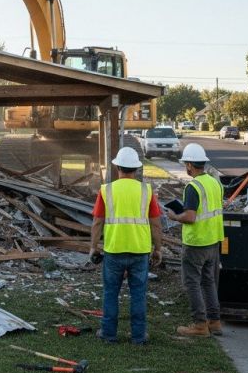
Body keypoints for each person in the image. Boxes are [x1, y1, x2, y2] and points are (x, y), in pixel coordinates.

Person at [89, 146, 163, 344]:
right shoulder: (146, 191)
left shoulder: (107, 190)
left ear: (117, 168)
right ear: (136, 169)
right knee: (138, 294)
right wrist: (158, 249)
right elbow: (156, 223)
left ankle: (108, 334)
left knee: (110, 293)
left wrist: (93, 247)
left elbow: (97, 221)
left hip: (114, 250)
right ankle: (138, 336)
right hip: (140, 251)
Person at [166, 142, 225, 337]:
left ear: (190, 165)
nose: (186, 167)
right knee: (208, 281)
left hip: (197, 242)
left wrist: (174, 217)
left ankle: (200, 325)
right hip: (213, 240)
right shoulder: (215, 182)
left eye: (186, 164)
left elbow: (190, 217)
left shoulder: (193, 187)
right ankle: (214, 321)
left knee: (192, 283)